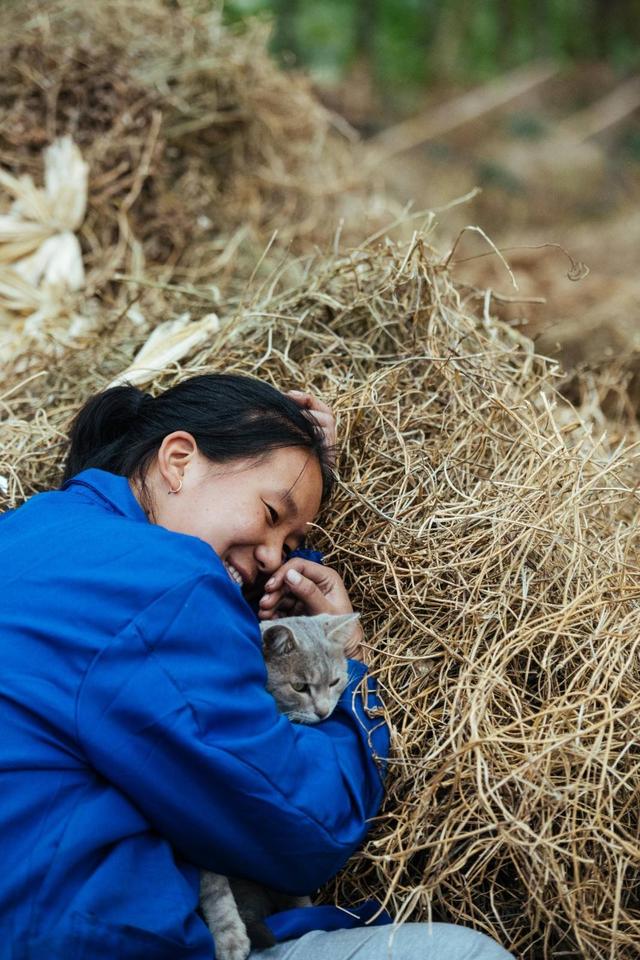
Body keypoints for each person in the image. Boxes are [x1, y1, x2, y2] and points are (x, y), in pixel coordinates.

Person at [0, 373, 513, 959]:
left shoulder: (28, 528)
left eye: (290, 548)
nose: (274, 557)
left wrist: (300, 509)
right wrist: (344, 659)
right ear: (179, 460)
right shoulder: (164, 581)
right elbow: (302, 826)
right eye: (271, 512)